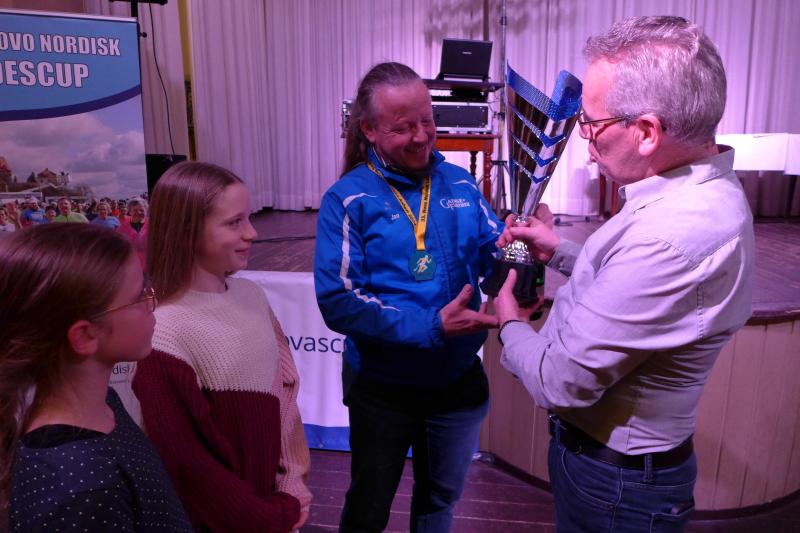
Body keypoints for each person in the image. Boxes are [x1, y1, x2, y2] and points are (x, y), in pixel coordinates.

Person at [493, 16, 755, 532]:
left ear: (647, 132)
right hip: (622, 476)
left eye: (591, 123)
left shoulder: (669, 237)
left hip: (614, 487)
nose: (584, 138)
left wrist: (508, 323)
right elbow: (635, 286)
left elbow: (559, 382)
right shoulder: (699, 192)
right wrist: (559, 252)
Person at [314, 62, 502, 533]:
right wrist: (432, 326)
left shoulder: (460, 183)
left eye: (427, 120)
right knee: (369, 506)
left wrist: (522, 254)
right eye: (402, 128)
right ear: (369, 130)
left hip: (456, 381)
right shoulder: (348, 199)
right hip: (383, 388)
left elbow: (494, 256)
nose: (421, 137)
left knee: (438, 504)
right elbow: (338, 301)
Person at [132, 161, 311, 532]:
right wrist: (266, 519)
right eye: (234, 222)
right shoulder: (164, 332)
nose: (252, 233)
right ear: (187, 230)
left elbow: (284, 394)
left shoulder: (251, 294)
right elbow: (189, 464)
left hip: (270, 507)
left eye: (249, 218)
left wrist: (292, 482)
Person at [0, 224, 192, 532]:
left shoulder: (104, 404)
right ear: (86, 336)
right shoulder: (79, 488)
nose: (151, 300)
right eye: (138, 296)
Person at [118, 198, 148, 268]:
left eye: (142, 210)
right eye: (135, 210)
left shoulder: (152, 226)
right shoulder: (122, 229)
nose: (139, 213)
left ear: (146, 211)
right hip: (130, 266)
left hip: (150, 266)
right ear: (130, 212)